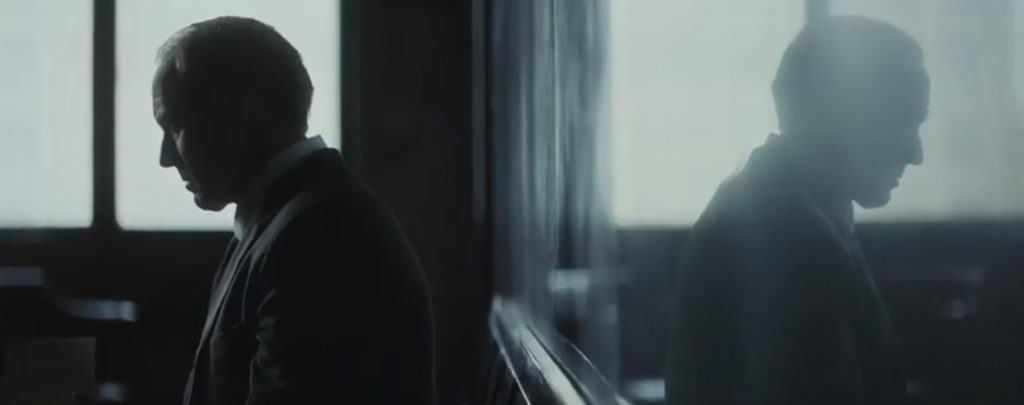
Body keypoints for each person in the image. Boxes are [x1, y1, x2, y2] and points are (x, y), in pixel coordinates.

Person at [152, 17, 436, 405]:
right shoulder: (292, 220)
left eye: (175, 125)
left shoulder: (315, 236)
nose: (166, 157)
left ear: (243, 113)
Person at [665, 16, 930, 405]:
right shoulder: (794, 245)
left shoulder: (782, 211)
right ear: (841, 118)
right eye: (902, 122)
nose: (916, 154)